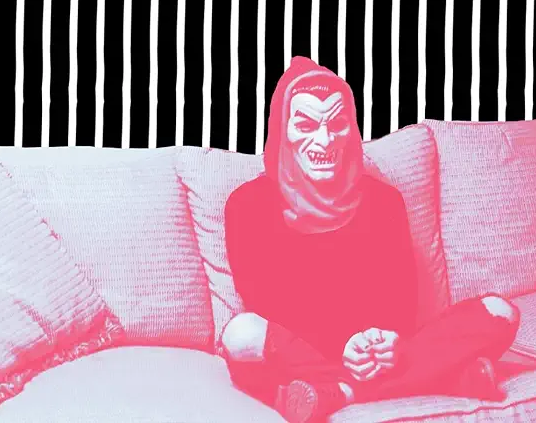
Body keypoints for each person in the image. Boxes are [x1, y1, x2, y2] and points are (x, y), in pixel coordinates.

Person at [222, 57, 520, 423]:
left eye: (337, 123)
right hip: (302, 354)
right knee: (241, 335)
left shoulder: (384, 202)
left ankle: (338, 393)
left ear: (352, 128)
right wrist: (343, 348)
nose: (325, 140)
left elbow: (401, 304)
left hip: (379, 354)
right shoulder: (247, 207)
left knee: (499, 312)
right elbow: (266, 305)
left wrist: (386, 342)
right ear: (282, 131)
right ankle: (444, 377)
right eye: (306, 124)